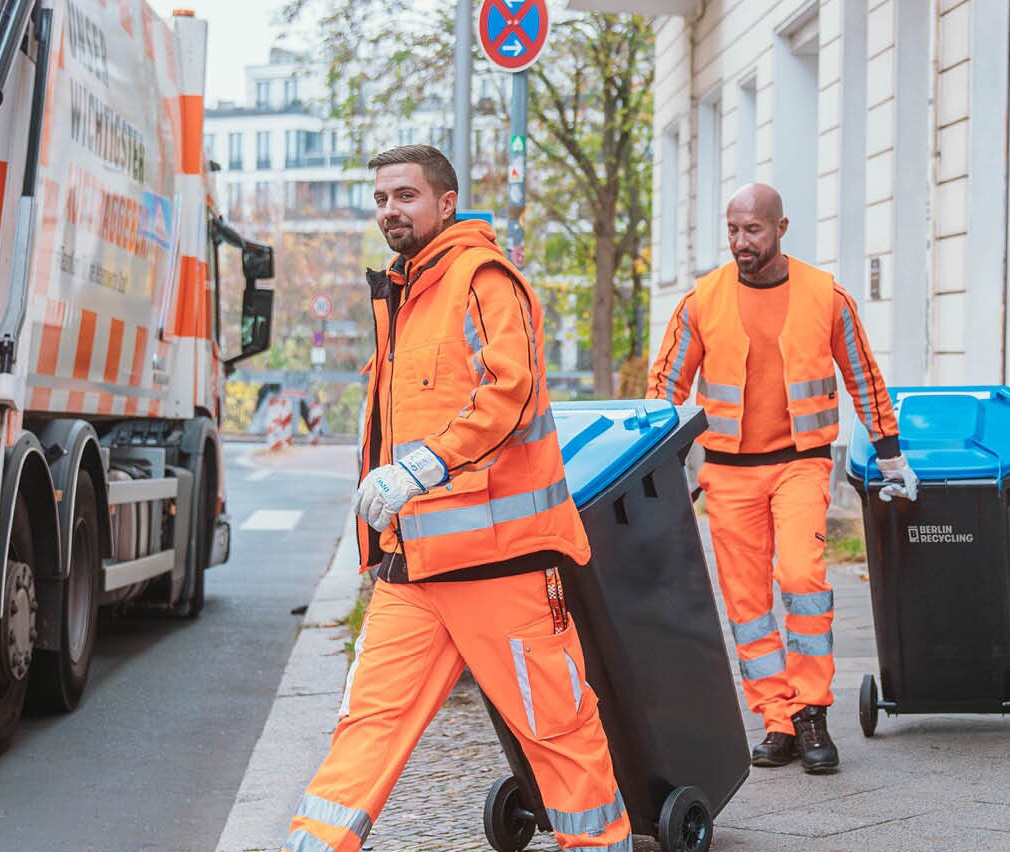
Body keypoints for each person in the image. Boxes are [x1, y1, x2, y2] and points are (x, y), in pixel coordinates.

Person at [281, 145, 631, 852]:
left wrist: (419, 470)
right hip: (414, 570)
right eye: (382, 199)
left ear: (446, 203)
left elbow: (511, 393)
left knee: (558, 732)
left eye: (406, 196)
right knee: (366, 728)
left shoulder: (482, 278)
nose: (390, 211)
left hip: (501, 568)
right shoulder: (405, 292)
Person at [648, 183, 918, 775]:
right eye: (733, 230)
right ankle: (777, 718)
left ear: (781, 228)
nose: (741, 242)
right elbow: (664, 390)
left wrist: (891, 454)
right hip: (728, 475)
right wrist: (654, 466)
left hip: (801, 463)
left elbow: (864, 376)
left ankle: (811, 710)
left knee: (802, 580)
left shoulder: (826, 296)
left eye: (753, 230)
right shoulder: (702, 301)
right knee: (746, 604)